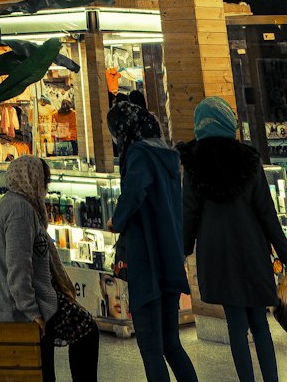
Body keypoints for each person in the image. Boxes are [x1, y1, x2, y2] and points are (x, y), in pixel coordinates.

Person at [182, 95, 287, 382]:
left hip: (217, 255)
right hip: (251, 251)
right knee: (260, 325)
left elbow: (189, 212)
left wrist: (184, 248)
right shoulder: (248, 160)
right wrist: (284, 252)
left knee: (236, 327)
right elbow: (267, 214)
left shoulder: (194, 165)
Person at [109, 98, 197, 382]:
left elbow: (134, 192)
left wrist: (116, 220)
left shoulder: (138, 154)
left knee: (151, 348)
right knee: (171, 345)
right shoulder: (166, 156)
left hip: (146, 261)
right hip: (168, 259)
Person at [0, 155, 99, 382]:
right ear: (33, 180)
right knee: (86, 331)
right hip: (29, 308)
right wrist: (31, 311)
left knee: (45, 370)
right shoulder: (20, 210)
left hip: (32, 304)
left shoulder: (12, 204)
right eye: (44, 182)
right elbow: (18, 266)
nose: (45, 189)